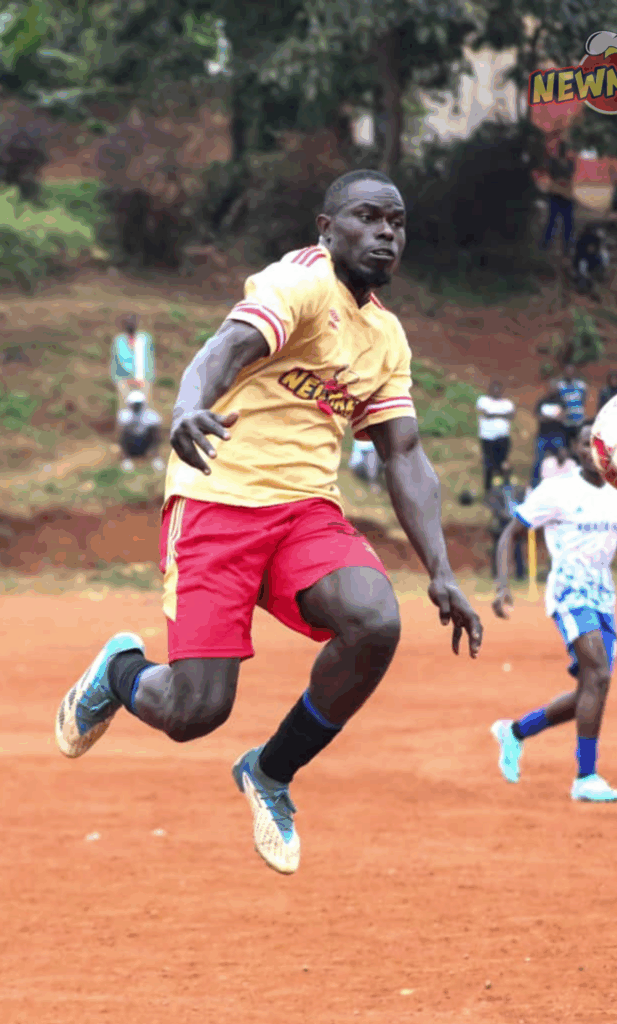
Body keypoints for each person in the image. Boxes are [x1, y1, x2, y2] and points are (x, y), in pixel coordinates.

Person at [54, 168, 483, 876]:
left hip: (303, 514)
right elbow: (222, 351)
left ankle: (270, 772)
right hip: (218, 502)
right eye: (368, 217)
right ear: (326, 228)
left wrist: (440, 570)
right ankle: (119, 672)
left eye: (396, 222)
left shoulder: (385, 336)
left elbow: (404, 452)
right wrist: (189, 403)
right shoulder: (301, 283)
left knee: (375, 621)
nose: (385, 232)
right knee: (195, 712)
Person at [490, 421, 617, 802]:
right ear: (575, 451)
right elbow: (510, 534)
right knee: (598, 672)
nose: (593, 451)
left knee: (591, 688)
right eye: (585, 444)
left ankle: (514, 732)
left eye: (599, 444)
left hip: (603, 595)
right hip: (568, 592)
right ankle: (586, 777)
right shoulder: (557, 490)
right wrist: (502, 587)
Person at [484, 463, 526, 581]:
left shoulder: (517, 488)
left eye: (508, 471)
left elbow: (523, 501)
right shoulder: (496, 488)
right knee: (498, 546)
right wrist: (501, 513)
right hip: (502, 520)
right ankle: (496, 573)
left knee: (518, 546)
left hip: (516, 520)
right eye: (504, 472)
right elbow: (492, 504)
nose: (506, 475)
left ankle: (520, 574)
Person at [476, 380, 515, 493]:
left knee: (503, 463)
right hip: (487, 438)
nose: (496, 391)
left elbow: (511, 415)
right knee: (488, 463)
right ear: (490, 390)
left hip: (503, 438)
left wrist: (493, 414)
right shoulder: (483, 400)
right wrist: (503, 415)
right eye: (494, 389)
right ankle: (488, 490)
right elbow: (485, 413)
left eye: (499, 389)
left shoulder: (507, 403)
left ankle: (504, 488)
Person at [110, 314, 156, 407]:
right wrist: (121, 379)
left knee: (144, 408)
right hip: (123, 379)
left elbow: (149, 359)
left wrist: (148, 378)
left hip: (144, 379)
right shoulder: (119, 340)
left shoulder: (145, 339)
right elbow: (116, 361)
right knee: (125, 408)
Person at [541, 140, 576, 253]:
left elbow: (569, 175)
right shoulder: (555, 162)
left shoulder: (567, 163)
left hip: (564, 195)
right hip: (558, 195)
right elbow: (553, 175)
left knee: (565, 223)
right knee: (553, 221)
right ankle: (547, 244)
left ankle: (565, 246)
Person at [117, 390, 165, 473]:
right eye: (134, 404)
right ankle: (126, 459)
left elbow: (157, 433)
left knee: (154, 432)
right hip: (131, 444)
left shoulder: (151, 415)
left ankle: (155, 458)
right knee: (124, 433)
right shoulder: (124, 415)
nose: (136, 406)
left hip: (145, 443)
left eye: (138, 403)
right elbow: (121, 432)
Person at [531, 392, 568, 487]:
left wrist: (547, 417)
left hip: (557, 435)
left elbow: (562, 418)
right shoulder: (542, 401)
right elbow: (539, 417)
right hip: (543, 435)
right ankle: (535, 485)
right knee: (538, 461)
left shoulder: (561, 402)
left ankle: (561, 484)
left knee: (560, 460)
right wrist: (554, 418)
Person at [554, 364, 588, 446]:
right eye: (567, 371)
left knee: (578, 443)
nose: (569, 373)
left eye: (571, 371)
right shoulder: (559, 386)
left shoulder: (581, 385)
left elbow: (583, 399)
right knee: (565, 444)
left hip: (578, 420)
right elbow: (557, 401)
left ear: (574, 372)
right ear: (564, 372)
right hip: (565, 421)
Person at [574, 225, 609, 294]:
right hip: (583, 261)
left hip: (593, 262)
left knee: (604, 256)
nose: (591, 248)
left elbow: (599, 256)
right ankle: (583, 284)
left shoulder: (597, 243)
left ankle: (599, 276)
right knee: (583, 266)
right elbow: (578, 259)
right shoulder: (581, 242)